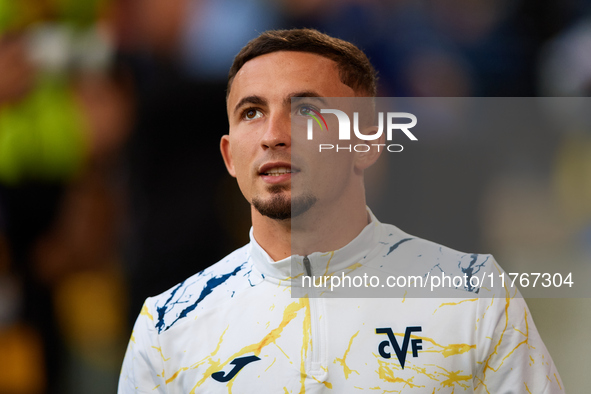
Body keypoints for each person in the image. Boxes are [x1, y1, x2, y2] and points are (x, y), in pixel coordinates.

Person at [118, 29, 564, 393]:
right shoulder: (168, 326)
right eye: (252, 112)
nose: (273, 134)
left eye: (306, 110)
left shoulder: (474, 296)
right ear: (230, 155)